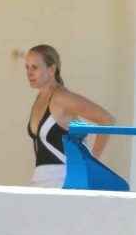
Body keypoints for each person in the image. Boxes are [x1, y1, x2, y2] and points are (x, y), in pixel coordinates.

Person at [25, 44, 116, 188]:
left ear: (52, 69)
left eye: (34, 67)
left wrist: (91, 162)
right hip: (39, 181)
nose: (29, 73)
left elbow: (107, 119)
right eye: (27, 67)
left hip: (64, 179)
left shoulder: (61, 97)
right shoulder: (39, 99)